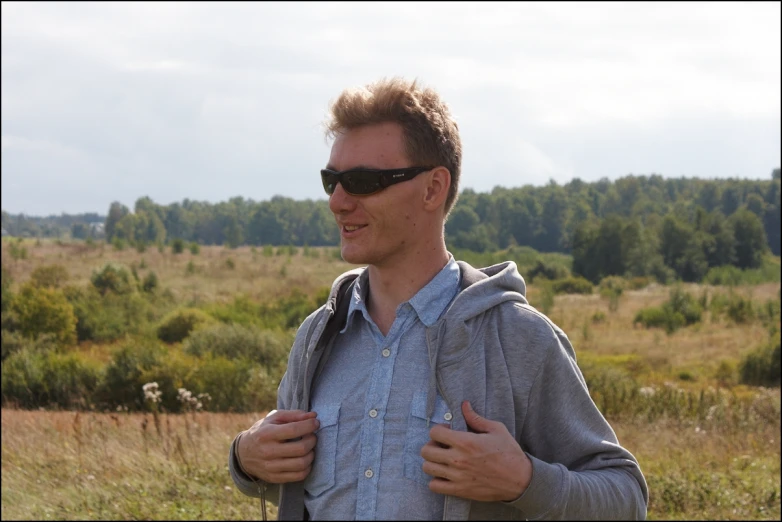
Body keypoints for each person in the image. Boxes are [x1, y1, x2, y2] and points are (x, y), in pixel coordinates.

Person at [229, 77, 649, 520]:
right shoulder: (319, 336)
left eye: (361, 181)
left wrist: (524, 481)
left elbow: (626, 499)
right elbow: (304, 488)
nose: (337, 201)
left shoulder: (518, 338)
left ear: (433, 188)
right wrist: (245, 460)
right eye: (331, 180)